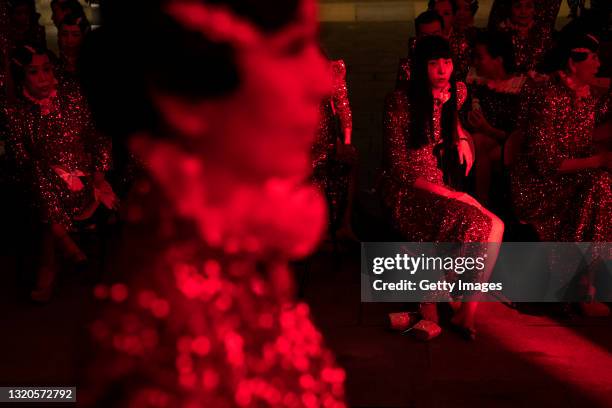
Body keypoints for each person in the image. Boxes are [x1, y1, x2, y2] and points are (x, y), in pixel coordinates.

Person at [78, 0, 347, 405]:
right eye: (291, 49)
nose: (322, 81)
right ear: (184, 99)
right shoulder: (168, 340)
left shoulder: (229, 238)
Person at [383, 36, 504, 340]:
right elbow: (401, 170)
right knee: (477, 220)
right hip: (410, 190)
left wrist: (462, 136)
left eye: (447, 62)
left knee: (497, 225)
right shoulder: (400, 102)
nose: (442, 70)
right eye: (434, 63)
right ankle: (440, 298)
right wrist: (454, 194)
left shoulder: (456, 92)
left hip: (438, 183)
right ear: (420, 67)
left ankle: (467, 311)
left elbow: (451, 121)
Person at [2, 44, 115, 302]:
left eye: (46, 69)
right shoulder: (15, 111)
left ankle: (53, 259)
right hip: (44, 184)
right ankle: (66, 246)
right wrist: (52, 167)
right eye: (33, 72)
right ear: (22, 76)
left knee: (44, 186)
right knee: (39, 172)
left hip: (82, 179)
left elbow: (98, 137)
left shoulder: (72, 97)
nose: (42, 77)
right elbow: (19, 158)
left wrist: (98, 173)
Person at [511, 33, 611, 315]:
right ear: (572, 62)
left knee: (600, 185)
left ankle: (586, 283)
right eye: (593, 58)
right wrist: (599, 160)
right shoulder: (548, 96)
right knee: (600, 186)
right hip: (540, 183)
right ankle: (578, 286)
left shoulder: (588, 94)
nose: (599, 63)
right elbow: (547, 163)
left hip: (574, 175)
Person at [466, 30, 528, 206]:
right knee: (477, 141)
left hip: (512, 143)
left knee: (480, 142)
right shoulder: (476, 81)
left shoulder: (520, 88)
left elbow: (519, 135)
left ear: (498, 60)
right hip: (485, 140)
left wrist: (487, 129)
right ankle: (480, 201)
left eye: (480, 57)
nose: (475, 62)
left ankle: (480, 203)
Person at [312, 58, 358, 243]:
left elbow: (343, 107)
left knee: (350, 162)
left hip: (328, 140)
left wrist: (346, 142)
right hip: (302, 144)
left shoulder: (331, 70)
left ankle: (345, 225)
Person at [396, 10, 445, 88]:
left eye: (435, 35)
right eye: (425, 36)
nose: (431, 41)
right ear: (418, 38)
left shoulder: (452, 61)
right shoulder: (408, 67)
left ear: (443, 34)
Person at [428, 0, 472, 80]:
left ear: (454, 17)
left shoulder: (465, 41)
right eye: (436, 13)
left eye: (446, 14)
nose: (440, 17)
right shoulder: (422, 40)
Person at [56, 12, 90, 95]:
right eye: (64, 34)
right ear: (58, 36)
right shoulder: (53, 65)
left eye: (75, 35)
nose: (69, 40)